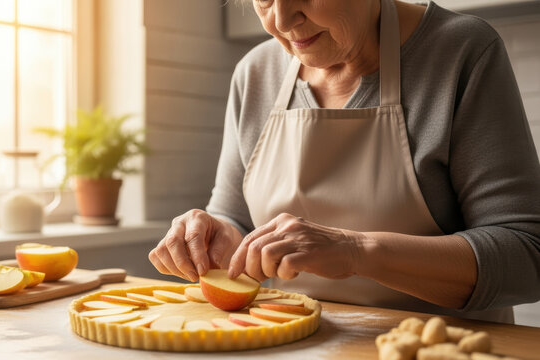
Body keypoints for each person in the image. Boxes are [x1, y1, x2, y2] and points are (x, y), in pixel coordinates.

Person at [148, 0, 540, 323]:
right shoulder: (255, 72)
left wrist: (355, 251)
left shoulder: (462, 51)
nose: (282, 21)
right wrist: (215, 234)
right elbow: (236, 221)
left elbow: (526, 255)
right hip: (295, 346)